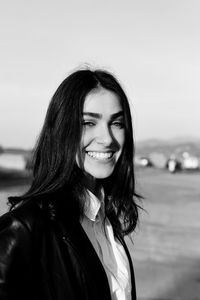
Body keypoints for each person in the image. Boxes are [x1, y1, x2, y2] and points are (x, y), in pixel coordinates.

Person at [0, 68, 141, 300]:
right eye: (88, 122)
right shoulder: (24, 229)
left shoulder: (106, 223)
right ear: (61, 130)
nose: (107, 139)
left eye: (117, 123)